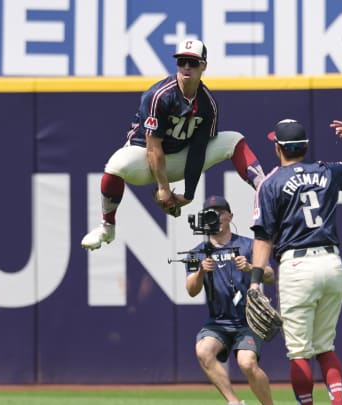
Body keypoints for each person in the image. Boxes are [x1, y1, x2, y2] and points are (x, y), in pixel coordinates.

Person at [81, 39, 266, 251]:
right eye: (182, 62)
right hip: (144, 157)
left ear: (204, 66)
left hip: (180, 158)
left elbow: (198, 150)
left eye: (193, 62)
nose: (186, 67)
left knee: (234, 140)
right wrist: (164, 189)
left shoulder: (208, 104)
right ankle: (107, 226)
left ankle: (265, 189)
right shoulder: (159, 95)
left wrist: (188, 195)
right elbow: (153, 148)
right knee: (116, 166)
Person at [248, 119, 342, 405]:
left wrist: (255, 281)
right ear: (305, 146)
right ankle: (337, 400)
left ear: (278, 148)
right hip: (331, 264)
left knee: (299, 352)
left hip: (297, 267)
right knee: (325, 346)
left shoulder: (271, 182)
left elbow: (263, 237)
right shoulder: (326, 171)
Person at [185, 195, 275, 405]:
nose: (215, 215)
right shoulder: (196, 253)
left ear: (230, 216)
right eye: (210, 212)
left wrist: (251, 268)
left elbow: (270, 275)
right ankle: (234, 402)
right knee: (203, 350)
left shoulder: (248, 245)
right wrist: (200, 272)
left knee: (247, 363)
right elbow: (191, 290)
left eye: (220, 211)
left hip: (248, 321)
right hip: (218, 322)